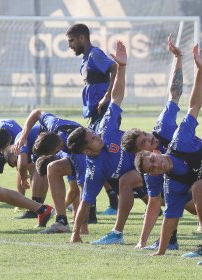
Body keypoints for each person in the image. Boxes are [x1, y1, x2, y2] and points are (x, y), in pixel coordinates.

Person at [134, 44, 202, 257]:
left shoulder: (171, 132)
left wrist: (190, 65)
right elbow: (158, 209)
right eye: (144, 142)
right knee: (189, 197)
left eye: (146, 135)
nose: (150, 139)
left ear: (157, 153)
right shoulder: (160, 179)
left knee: (198, 190)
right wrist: (150, 245)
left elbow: (185, 99)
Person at [67, 41, 147, 244]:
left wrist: (121, 67)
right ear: (86, 151)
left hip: (158, 163)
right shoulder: (94, 171)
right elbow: (85, 202)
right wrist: (75, 234)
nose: (98, 136)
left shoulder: (106, 128)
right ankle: (117, 233)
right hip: (145, 179)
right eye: (93, 139)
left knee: (197, 203)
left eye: (94, 133)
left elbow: (117, 97)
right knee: (126, 181)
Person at [66, 23, 119, 216]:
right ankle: (109, 200)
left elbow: (115, 68)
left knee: (100, 157)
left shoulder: (95, 53)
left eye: (71, 41)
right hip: (95, 113)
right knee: (96, 157)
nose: (70, 45)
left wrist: (107, 96)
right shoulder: (85, 58)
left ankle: (93, 209)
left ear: (82, 38)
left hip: (104, 112)